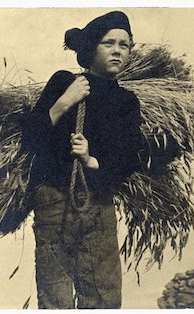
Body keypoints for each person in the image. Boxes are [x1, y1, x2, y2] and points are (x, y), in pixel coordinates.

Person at [23, 11, 142, 309]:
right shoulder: (64, 81)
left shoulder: (127, 102)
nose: (117, 50)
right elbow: (31, 137)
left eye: (124, 45)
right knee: (56, 297)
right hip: (53, 202)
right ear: (92, 48)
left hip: (98, 205)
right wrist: (65, 101)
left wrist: (90, 160)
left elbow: (128, 157)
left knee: (103, 296)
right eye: (108, 43)